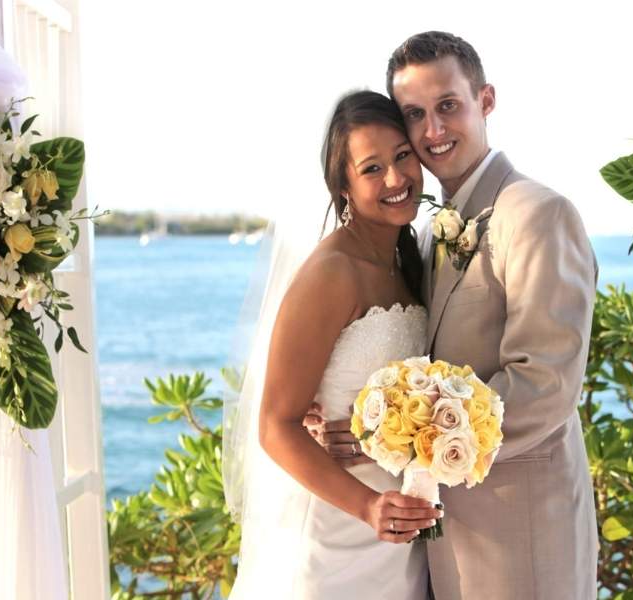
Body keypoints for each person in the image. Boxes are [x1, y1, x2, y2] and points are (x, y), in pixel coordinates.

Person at [308, 31, 599, 599]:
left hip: (523, 532)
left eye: (448, 106)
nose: (433, 132)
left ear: (485, 101)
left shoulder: (539, 215)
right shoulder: (429, 232)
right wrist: (351, 420)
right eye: (415, 115)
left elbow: (544, 385)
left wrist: (396, 441)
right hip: (447, 541)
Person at [228, 90, 439, 599]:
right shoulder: (330, 274)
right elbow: (276, 425)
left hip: (399, 537)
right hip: (338, 536)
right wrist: (368, 506)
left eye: (402, 156)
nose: (395, 179)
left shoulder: (410, 260)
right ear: (342, 186)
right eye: (371, 169)